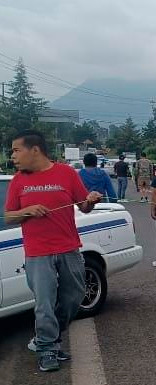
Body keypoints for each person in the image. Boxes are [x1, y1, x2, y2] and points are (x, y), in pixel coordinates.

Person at [5, 130, 102, 372]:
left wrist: (91, 199)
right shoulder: (18, 180)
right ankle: (47, 348)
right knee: (44, 303)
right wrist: (28, 210)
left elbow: (84, 206)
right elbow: (8, 216)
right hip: (37, 252)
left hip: (68, 247)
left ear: (34, 150)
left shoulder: (67, 173)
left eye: (16, 150)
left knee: (74, 297)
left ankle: (45, 338)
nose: (12, 156)